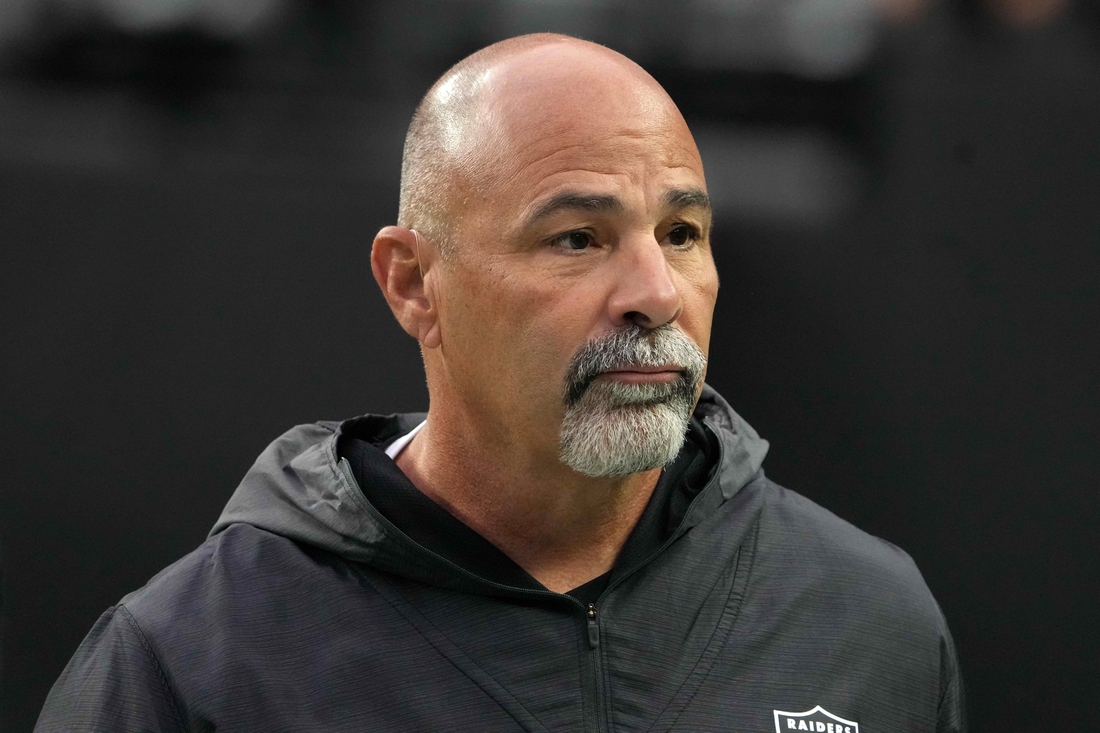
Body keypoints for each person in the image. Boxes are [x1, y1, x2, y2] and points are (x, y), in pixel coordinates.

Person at [36, 34, 965, 732]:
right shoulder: (195, 663)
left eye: (681, 234)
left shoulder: (868, 620)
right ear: (413, 283)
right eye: (577, 238)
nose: (655, 293)